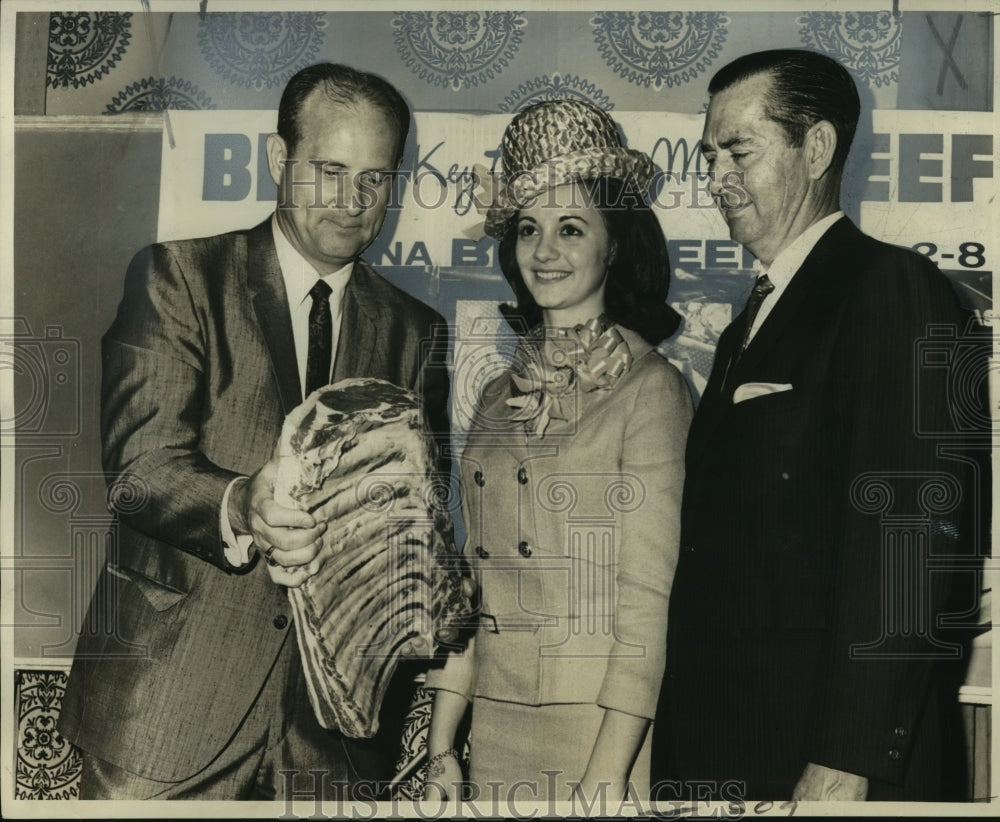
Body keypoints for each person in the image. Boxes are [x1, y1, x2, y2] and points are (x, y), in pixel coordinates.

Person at [58, 62, 452, 800]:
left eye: (375, 178)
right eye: (330, 170)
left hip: (334, 740)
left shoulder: (417, 332)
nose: (352, 201)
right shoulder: (178, 278)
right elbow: (140, 467)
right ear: (279, 159)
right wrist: (243, 504)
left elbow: (418, 518)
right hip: (167, 713)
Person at [651, 49, 983, 802]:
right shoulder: (755, 319)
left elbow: (912, 541)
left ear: (819, 148)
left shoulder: (891, 288)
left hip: (821, 764)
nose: (715, 176)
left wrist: (849, 756)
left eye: (739, 150)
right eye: (708, 156)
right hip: (734, 749)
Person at [422, 99, 693, 805]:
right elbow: (472, 586)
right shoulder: (493, 398)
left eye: (571, 229)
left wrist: (605, 777)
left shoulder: (653, 390)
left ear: (614, 245)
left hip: (602, 732)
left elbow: (647, 606)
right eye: (529, 230)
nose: (544, 252)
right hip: (494, 725)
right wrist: (443, 745)